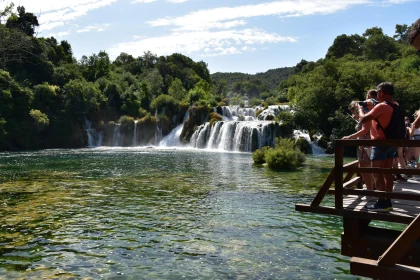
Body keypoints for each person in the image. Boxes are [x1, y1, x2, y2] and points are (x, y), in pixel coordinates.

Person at [359, 82, 399, 211]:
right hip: (392, 144)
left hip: (380, 143)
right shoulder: (395, 105)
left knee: (376, 173)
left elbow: (363, 119)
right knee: (387, 173)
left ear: (381, 93)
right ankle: (387, 201)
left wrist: (360, 109)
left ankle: (381, 202)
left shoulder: (381, 106)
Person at [342, 101, 374, 192]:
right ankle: (371, 189)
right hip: (363, 144)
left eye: (352, 111)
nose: (352, 113)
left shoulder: (365, 114)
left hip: (366, 144)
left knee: (364, 168)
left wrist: (350, 137)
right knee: (366, 167)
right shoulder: (364, 114)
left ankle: (370, 190)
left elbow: (365, 130)